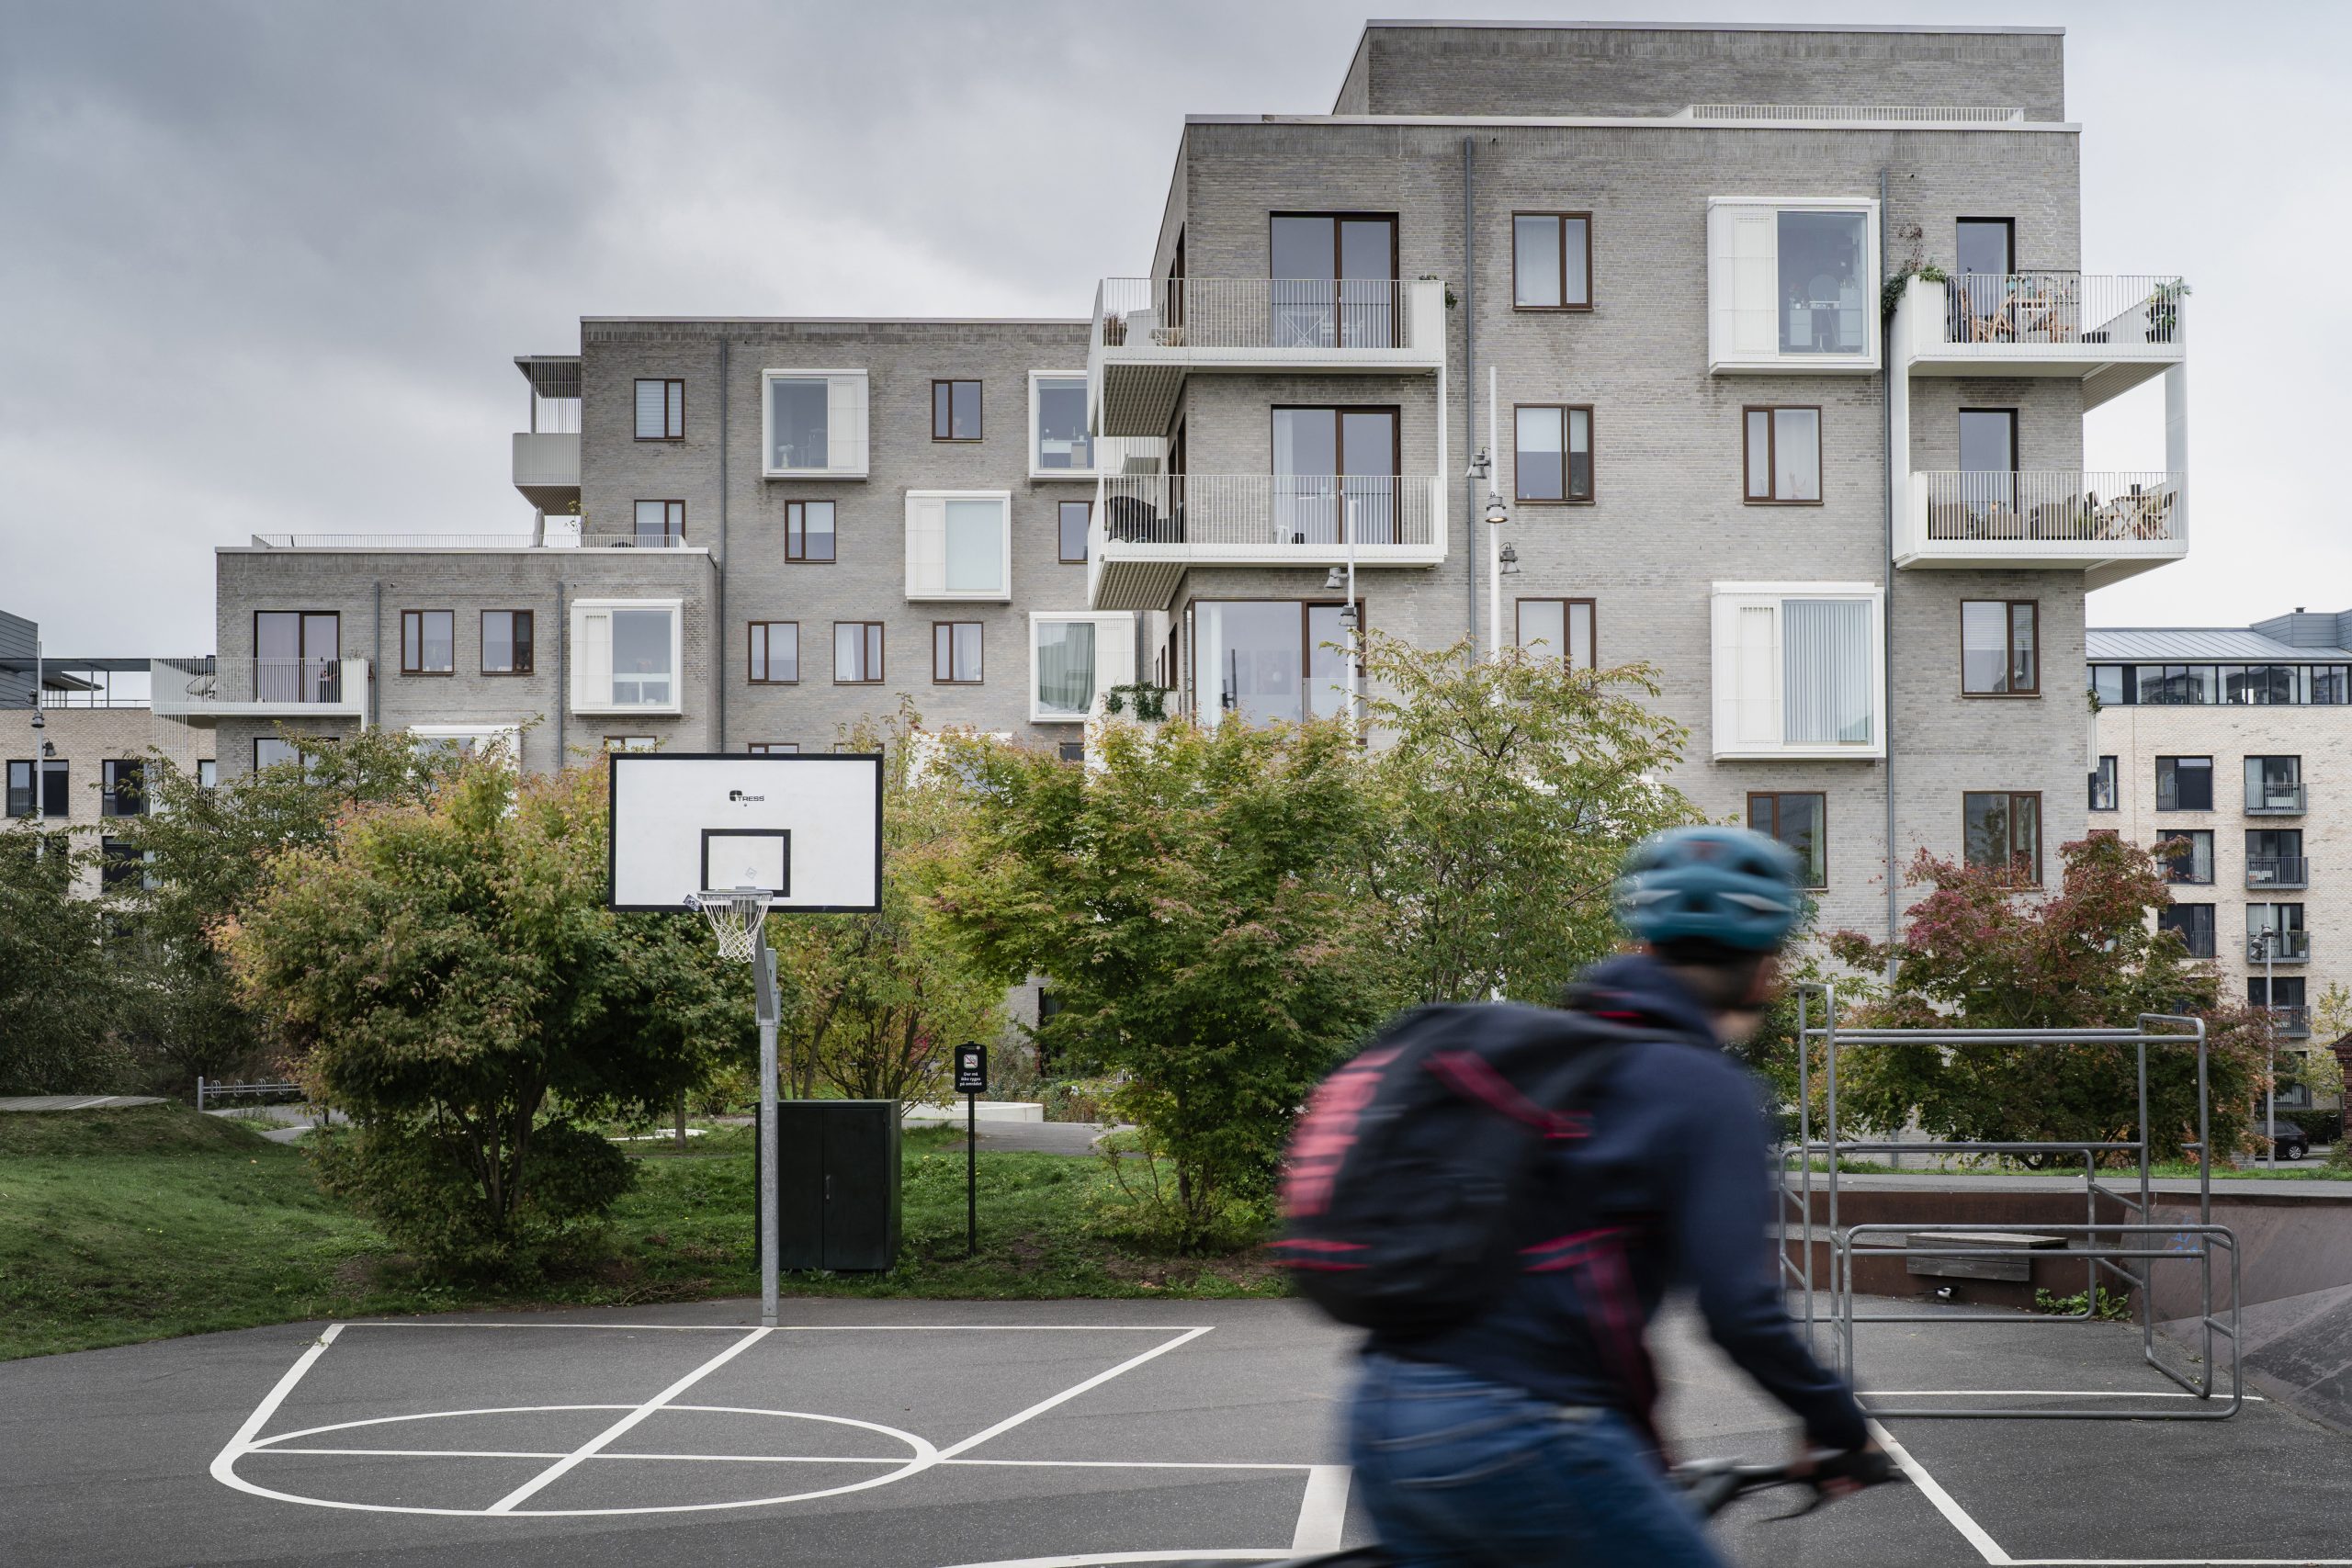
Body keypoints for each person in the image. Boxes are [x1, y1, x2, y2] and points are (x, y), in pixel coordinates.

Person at [1346, 825, 1874, 1568]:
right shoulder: (1702, 1086)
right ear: (1764, 964)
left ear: (1643, 946)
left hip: (1385, 1410)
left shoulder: (1557, 1056)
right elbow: (1741, 1310)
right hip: (1521, 1429)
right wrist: (1838, 1421)